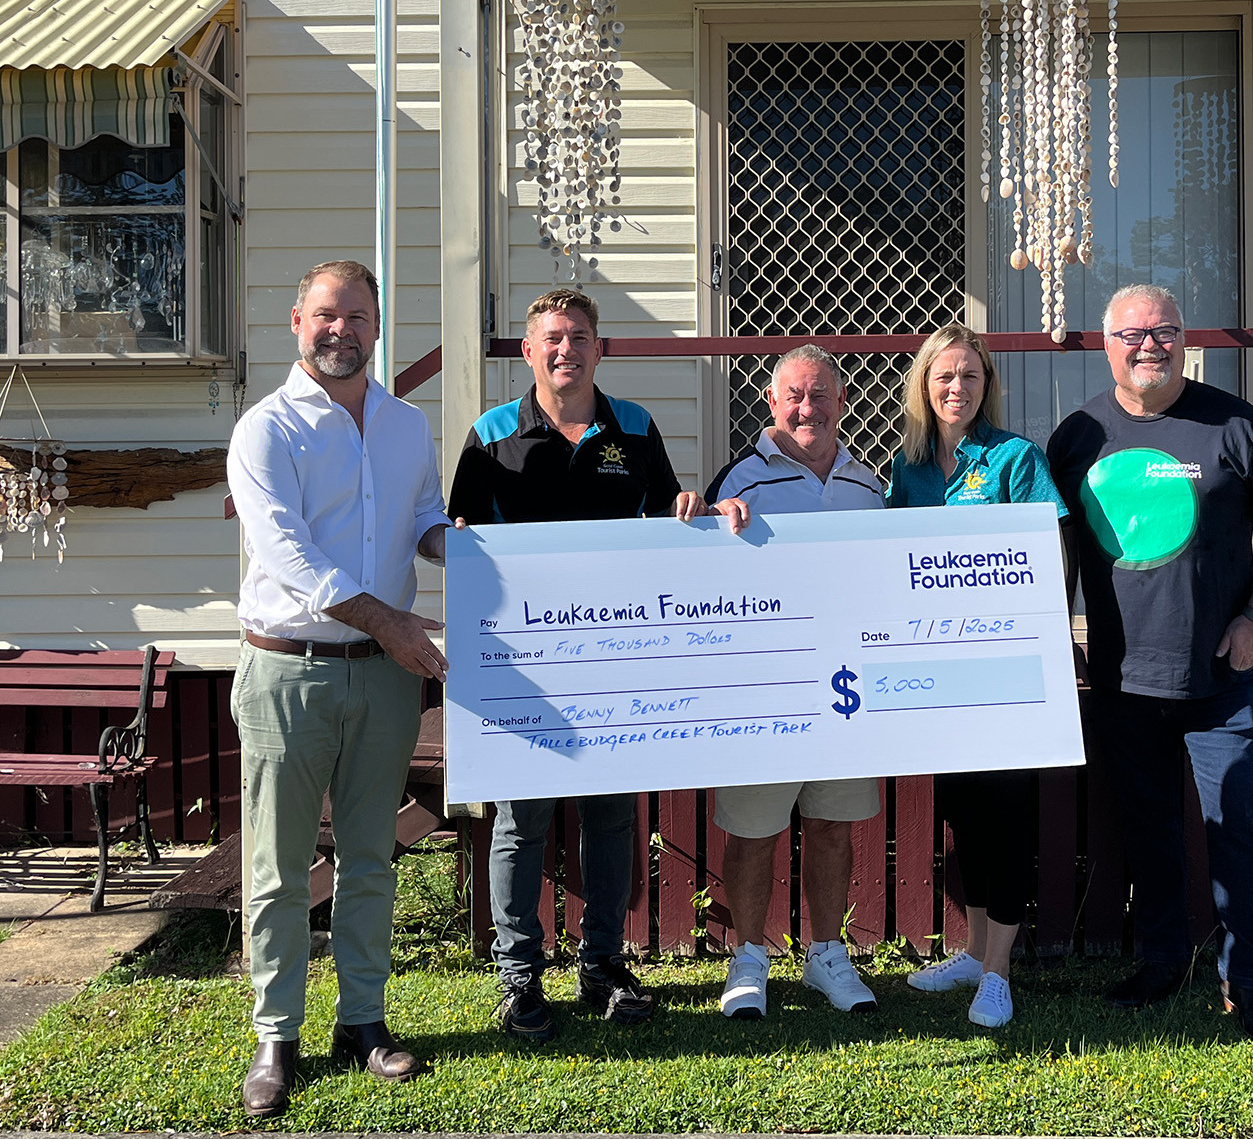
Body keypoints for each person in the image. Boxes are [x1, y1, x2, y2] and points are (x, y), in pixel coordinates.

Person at [448, 288, 748, 1040]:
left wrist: (699, 514)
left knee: (610, 815)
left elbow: (665, 520)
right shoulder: (490, 436)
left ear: (598, 348)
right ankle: (519, 973)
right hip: (524, 661)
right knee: (522, 819)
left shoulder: (635, 428)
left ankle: (603, 963)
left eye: (579, 336)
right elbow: (459, 543)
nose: (565, 350)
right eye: (551, 337)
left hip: (616, 660)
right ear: (528, 351)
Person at [1046, 283, 1253, 1047]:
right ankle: (1163, 962)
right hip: (1122, 676)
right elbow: (1059, 546)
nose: (1149, 346)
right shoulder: (1077, 437)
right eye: (1133, 334)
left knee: (1237, 830)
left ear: (1183, 340)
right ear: (1108, 344)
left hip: (1218, 676)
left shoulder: (1236, 426)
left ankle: (1251, 983)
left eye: (1163, 332)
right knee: (1149, 832)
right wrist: (1053, 631)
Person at [226, 259, 451, 1118]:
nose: (341, 331)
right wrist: (392, 624)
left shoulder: (405, 425)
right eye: (326, 315)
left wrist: (456, 546)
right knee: (279, 868)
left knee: (370, 860)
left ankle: (362, 1021)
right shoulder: (265, 430)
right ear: (297, 321)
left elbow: (422, 518)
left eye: (357, 316)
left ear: (377, 325)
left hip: (382, 682)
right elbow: (288, 556)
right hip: (290, 671)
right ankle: (275, 1035)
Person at [886, 322, 1068, 1030]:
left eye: (968, 376)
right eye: (943, 377)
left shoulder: (1015, 458)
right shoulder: (907, 467)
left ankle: (998, 973)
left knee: (1006, 814)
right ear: (923, 386)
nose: (955, 388)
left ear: (986, 384)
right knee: (963, 812)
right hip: (939, 670)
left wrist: (1049, 639)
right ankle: (971, 949)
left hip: (1007, 666)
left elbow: (1049, 553)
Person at [702, 345, 886, 1020]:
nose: (807, 409)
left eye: (820, 396)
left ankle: (825, 957)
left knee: (834, 827)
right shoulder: (739, 482)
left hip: (844, 691)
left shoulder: (869, 487)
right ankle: (748, 958)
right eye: (794, 396)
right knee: (753, 831)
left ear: (841, 403)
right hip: (766, 690)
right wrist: (710, 526)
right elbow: (703, 580)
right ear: (771, 403)